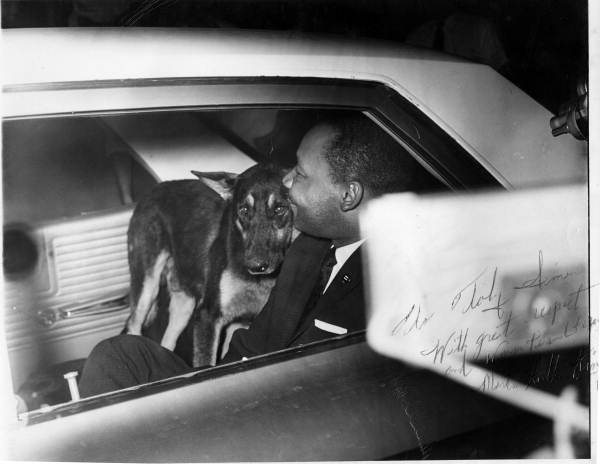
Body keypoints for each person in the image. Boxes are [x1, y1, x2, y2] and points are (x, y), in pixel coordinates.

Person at [78, 113, 419, 397]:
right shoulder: (310, 247)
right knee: (116, 356)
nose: (286, 180)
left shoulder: (393, 282)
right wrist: (207, 391)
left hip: (282, 416)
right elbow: (253, 344)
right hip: (239, 391)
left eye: (299, 173)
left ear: (348, 195)